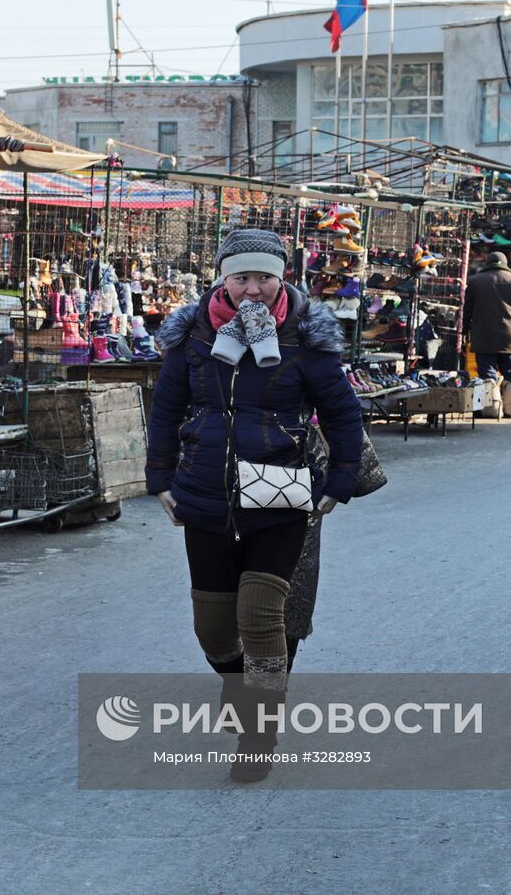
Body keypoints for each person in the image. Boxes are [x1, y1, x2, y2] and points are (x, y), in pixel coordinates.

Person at [145, 228, 362, 783]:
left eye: (264, 276)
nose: (253, 289)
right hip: (205, 494)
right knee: (213, 632)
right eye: (241, 277)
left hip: (279, 493)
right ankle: (242, 690)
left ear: (282, 277)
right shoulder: (193, 336)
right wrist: (160, 480)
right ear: (223, 279)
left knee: (261, 617)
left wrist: (338, 483)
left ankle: (257, 731)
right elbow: (166, 410)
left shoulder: (307, 341)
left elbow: (342, 414)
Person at [462, 251, 511, 418]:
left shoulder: (475, 282)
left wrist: (464, 330)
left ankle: (490, 409)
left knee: (487, 372)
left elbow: (467, 310)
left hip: (484, 334)